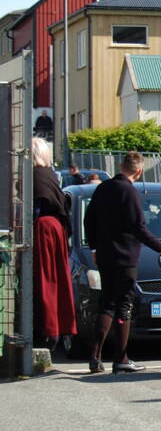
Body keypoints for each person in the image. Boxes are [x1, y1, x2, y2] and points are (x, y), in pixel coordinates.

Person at [84, 152, 161, 373]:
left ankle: (95, 357)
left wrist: (95, 247)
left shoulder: (103, 189)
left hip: (105, 255)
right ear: (139, 171)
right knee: (124, 306)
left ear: (120, 166)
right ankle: (121, 358)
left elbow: (90, 219)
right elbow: (139, 227)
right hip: (125, 257)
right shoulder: (131, 192)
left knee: (106, 304)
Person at [31, 137, 76, 353]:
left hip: (44, 228)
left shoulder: (34, 175)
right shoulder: (50, 175)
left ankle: (48, 329)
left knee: (45, 277)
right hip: (57, 228)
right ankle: (60, 326)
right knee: (58, 277)